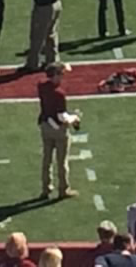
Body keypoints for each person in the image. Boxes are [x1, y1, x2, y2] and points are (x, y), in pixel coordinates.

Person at [33, 61, 79, 201]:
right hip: (58, 129)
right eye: (61, 74)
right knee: (61, 161)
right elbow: (62, 117)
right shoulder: (59, 93)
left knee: (47, 159)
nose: (63, 77)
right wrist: (74, 118)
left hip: (45, 125)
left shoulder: (41, 86)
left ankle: (45, 189)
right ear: (55, 75)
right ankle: (63, 189)